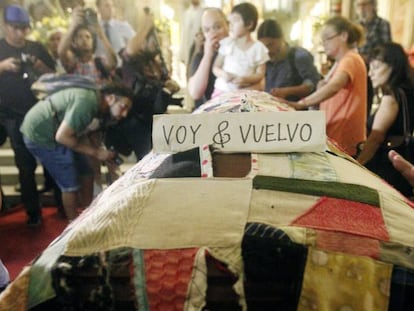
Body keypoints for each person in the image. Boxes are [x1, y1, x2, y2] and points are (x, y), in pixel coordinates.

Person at [20, 82, 133, 222]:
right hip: (41, 134)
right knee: (70, 183)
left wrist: (98, 151)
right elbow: (62, 137)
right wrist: (96, 153)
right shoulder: (88, 103)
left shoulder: (96, 103)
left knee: (87, 172)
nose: (125, 114)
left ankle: (87, 217)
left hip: (58, 132)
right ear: (110, 98)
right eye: (123, 107)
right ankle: (73, 227)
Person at [0, 4, 55, 226]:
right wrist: (2, 67)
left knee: (51, 158)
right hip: (10, 115)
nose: (21, 33)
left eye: (25, 28)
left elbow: (53, 75)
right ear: (5, 27)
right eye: (16, 28)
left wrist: (38, 64)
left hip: (39, 113)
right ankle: (33, 212)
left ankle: (60, 204)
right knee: (25, 165)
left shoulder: (36, 48)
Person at [286, 16, 367, 157]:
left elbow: (335, 86)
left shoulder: (350, 59)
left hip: (344, 138)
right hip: (335, 135)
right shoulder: (341, 62)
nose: (324, 44)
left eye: (327, 38)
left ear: (343, 36)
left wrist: (302, 103)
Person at [356, 42, 414, 197]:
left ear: (392, 67)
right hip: (404, 165)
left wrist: (357, 165)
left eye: (376, 68)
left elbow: (376, 138)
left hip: (388, 167)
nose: (370, 74)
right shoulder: (408, 91)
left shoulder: (392, 96)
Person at [212, 2, 269, 97]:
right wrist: (223, 74)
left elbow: (260, 73)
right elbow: (216, 67)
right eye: (230, 22)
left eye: (235, 21)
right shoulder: (227, 43)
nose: (231, 25)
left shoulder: (258, 48)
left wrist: (245, 79)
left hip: (246, 92)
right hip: (223, 90)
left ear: (249, 24)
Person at [257, 19, 321, 102]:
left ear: (282, 39)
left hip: (296, 110)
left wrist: (287, 91)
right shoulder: (264, 60)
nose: (267, 50)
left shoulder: (299, 56)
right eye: (263, 46)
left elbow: (313, 85)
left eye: (270, 45)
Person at [58, 6, 117, 85]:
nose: (84, 39)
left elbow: (113, 62)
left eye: (88, 37)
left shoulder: (99, 62)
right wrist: (73, 25)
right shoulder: (73, 64)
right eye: (80, 37)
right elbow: (61, 52)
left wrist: (99, 31)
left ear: (93, 42)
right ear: (73, 44)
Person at [355, 0, 392, 116]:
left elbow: (386, 50)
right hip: (355, 66)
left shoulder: (382, 24)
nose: (362, 8)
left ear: (373, 6)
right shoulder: (355, 26)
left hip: (373, 67)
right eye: (359, 5)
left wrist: (368, 58)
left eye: (364, 4)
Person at [187, 7, 229, 108]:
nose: (213, 33)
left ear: (228, 26)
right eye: (207, 30)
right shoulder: (200, 57)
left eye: (218, 27)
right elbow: (195, 93)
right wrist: (208, 55)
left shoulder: (237, 52)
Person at [95, 0, 135, 67]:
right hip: (101, 71)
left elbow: (135, 43)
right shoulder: (94, 29)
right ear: (98, 9)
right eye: (107, 6)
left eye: (112, 6)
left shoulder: (123, 26)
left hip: (121, 70)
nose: (110, 8)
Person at [180, 0, 204, 66]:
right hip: (188, 46)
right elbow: (183, 35)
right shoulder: (186, 14)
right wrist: (182, 53)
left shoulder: (203, 13)